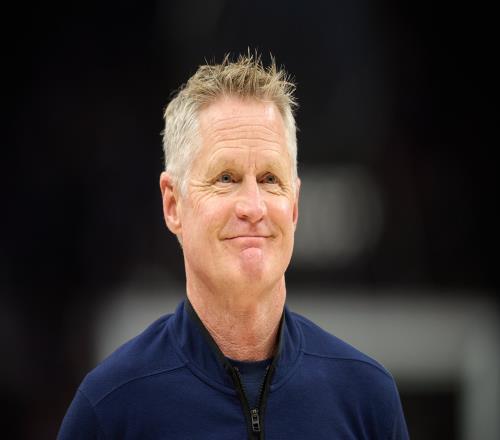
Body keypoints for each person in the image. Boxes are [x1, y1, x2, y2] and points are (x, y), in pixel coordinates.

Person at [58, 53, 409, 439]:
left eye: (270, 179)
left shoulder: (367, 398)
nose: (253, 207)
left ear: (294, 205)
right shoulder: (110, 407)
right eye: (226, 178)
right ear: (173, 205)